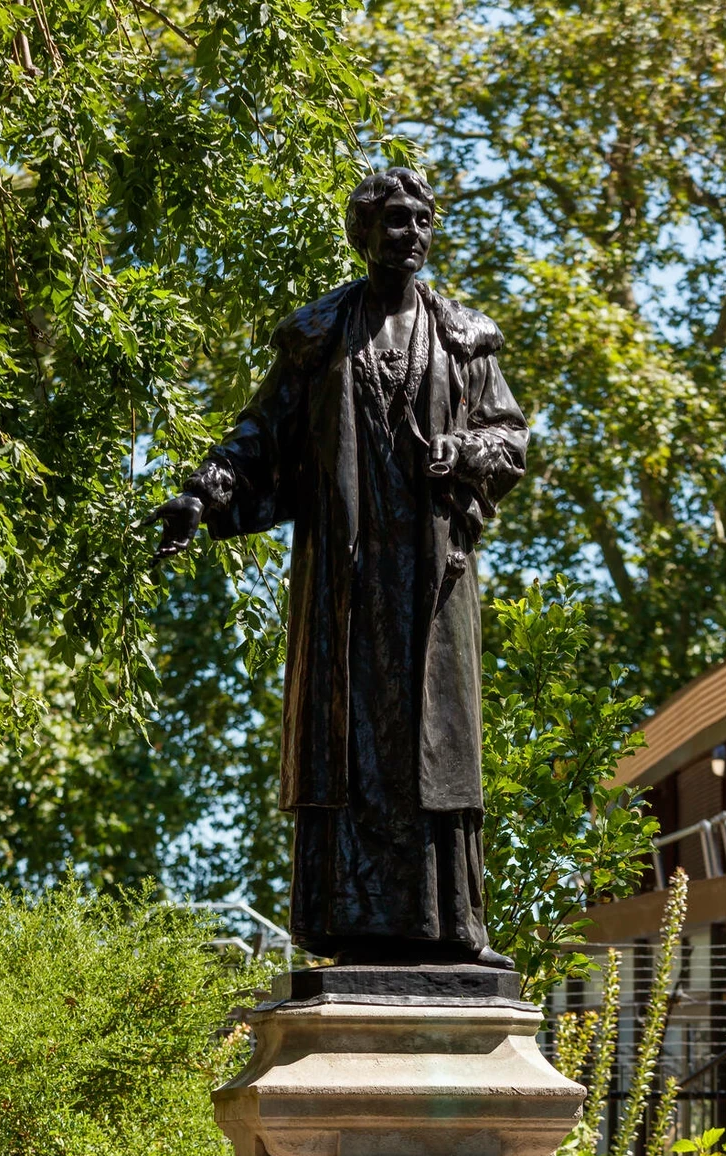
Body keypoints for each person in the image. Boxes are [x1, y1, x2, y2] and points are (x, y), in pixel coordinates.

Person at [153, 168, 527, 967]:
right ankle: (346, 926)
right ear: (363, 235)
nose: (412, 234)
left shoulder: (463, 338)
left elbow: (511, 440)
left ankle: (454, 928)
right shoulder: (321, 338)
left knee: (435, 742)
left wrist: (465, 450)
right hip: (346, 580)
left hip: (432, 579)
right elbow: (260, 436)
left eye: (423, 221)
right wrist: (203, 492)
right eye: (395, 221)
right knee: (350, 742)